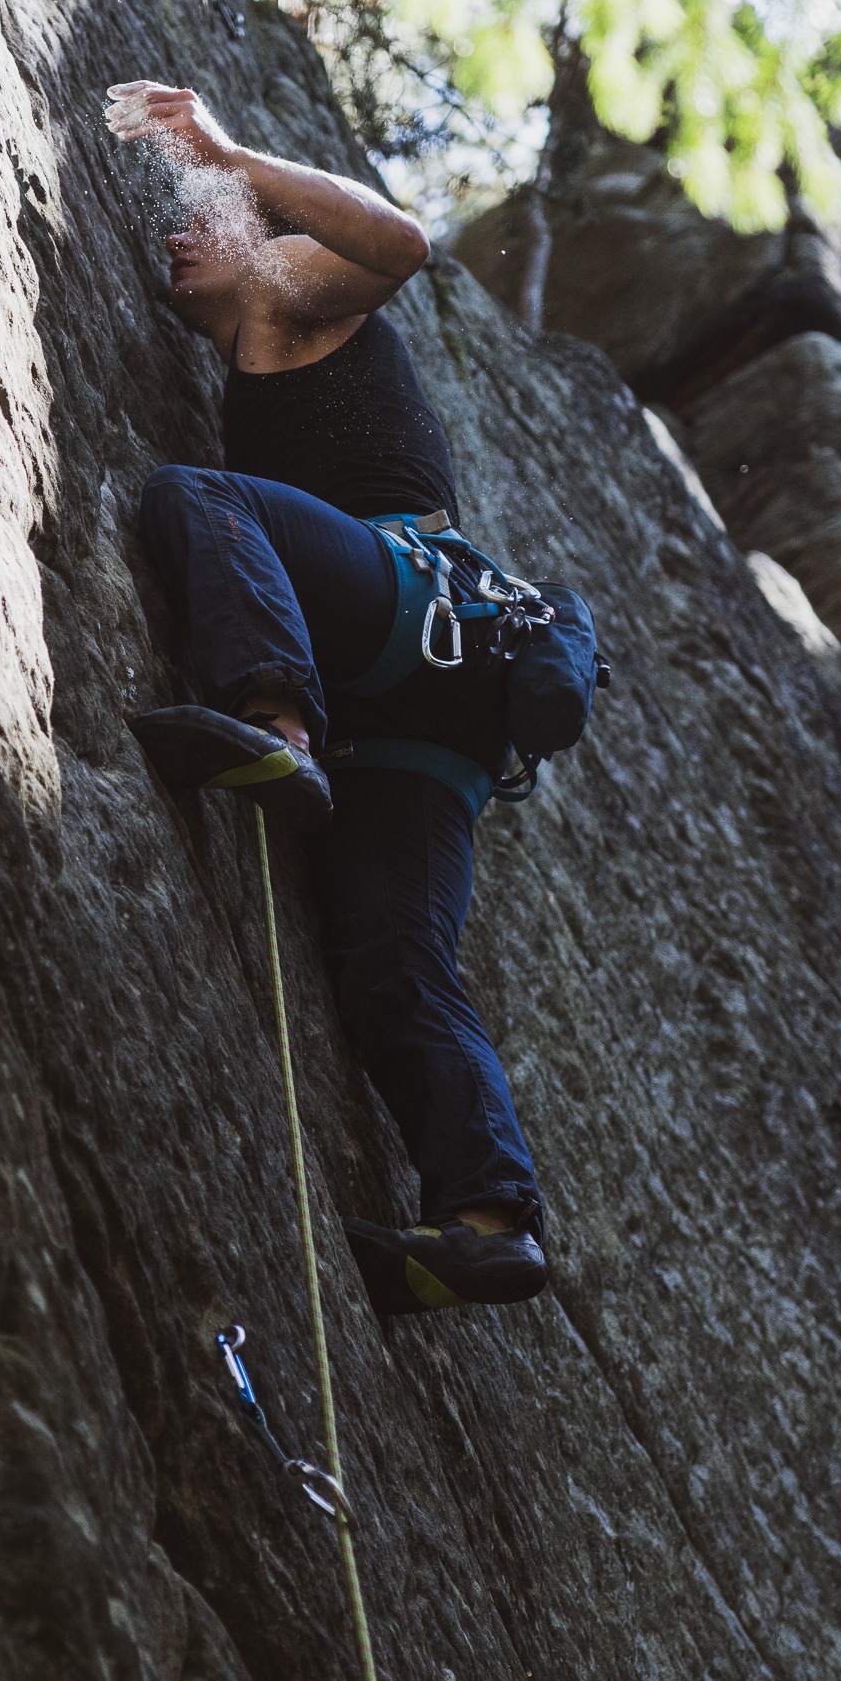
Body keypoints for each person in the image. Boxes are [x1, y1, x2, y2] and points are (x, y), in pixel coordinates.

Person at [115, 81, 546, 1312]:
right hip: (436, 717)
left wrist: (225, 149)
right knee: (393, 956)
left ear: (260, 237)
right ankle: (485, 1217)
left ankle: (273, 723)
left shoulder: (294, 291)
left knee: (200, 497)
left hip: (405, 615)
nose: (177, 243)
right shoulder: (260, 338)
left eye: (199, 219)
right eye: (175, 227)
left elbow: (402, 243)